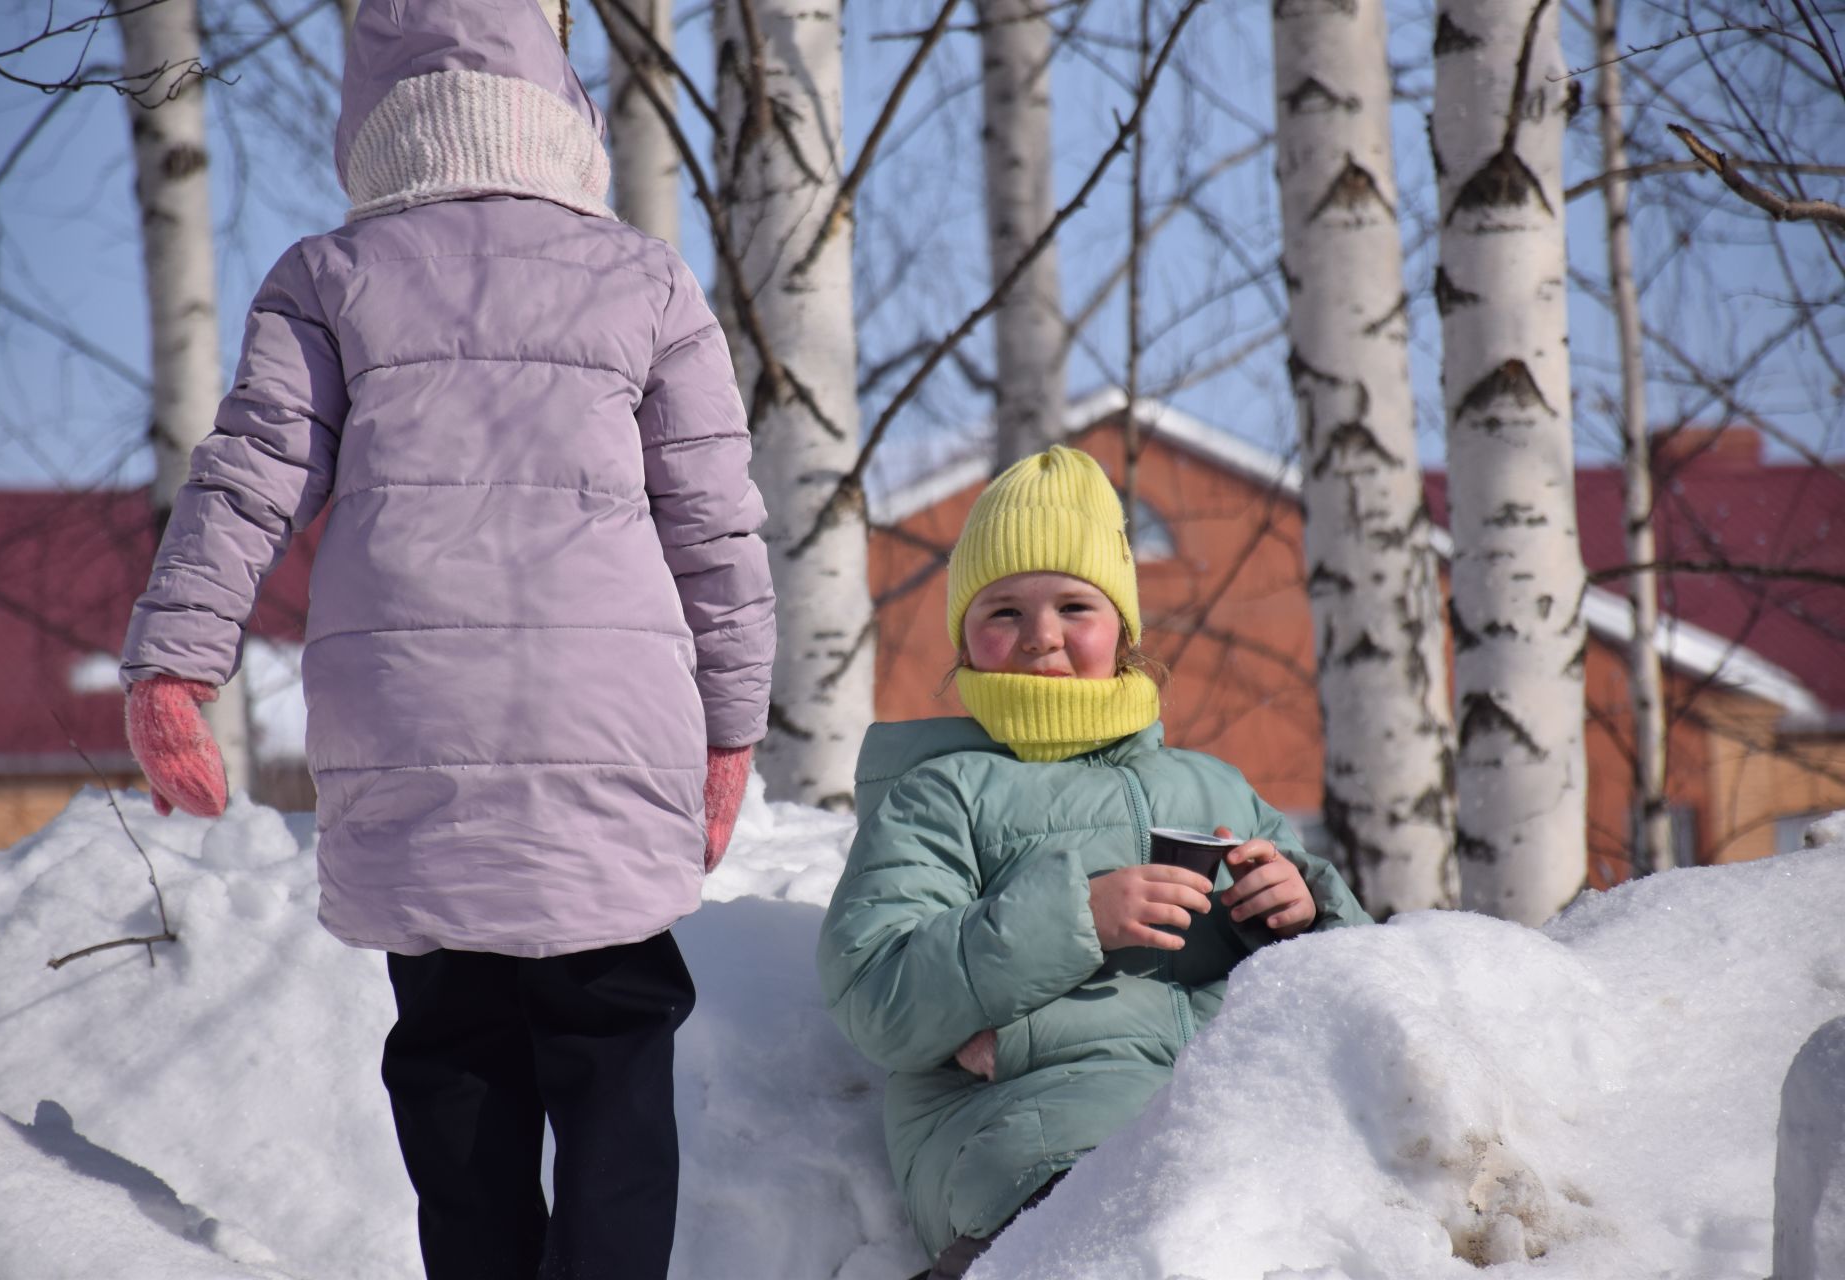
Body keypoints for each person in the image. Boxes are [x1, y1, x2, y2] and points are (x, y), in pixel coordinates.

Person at [118, 3, 775, 1277]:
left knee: (456, 1044)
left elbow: (248, 478)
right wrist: (733, 725)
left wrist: (176, 661)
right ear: (564, 104)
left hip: (410, 727)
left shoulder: (331, 276)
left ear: (368, 119)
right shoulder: (643, 278)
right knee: (614, 1040)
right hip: (609, 724)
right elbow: (717, 526)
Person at [815, 446, 1371, 1278]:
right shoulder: (940, 795)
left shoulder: (1210, 784)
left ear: (1124, 629)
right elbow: (877, 993)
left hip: (1232, 1124)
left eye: (1075, 604)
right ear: (962, 637)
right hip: (1035, 1143)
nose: (1041, 637)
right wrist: (1075, 918)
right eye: (1003, 610)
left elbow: (1360, 983)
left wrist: (1305, 910)